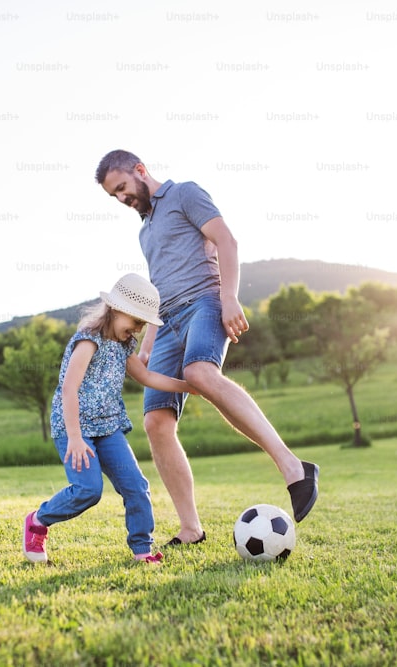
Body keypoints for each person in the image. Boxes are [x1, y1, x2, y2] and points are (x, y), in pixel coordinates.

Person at [95, 149, 320, 547]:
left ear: (140, 171)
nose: (123, 200)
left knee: (200, 373)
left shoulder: (185, 194)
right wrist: (147, 344)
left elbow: (226, 241)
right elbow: (157, 293)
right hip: (166, 324)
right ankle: (190, 529)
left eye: (123, 189)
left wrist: (229, 297)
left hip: (204, 302)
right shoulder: (144, 232)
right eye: (115, 197)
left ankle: (294, 468)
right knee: (156, 423)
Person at [23, 273, 199, 564]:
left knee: (136, 486)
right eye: (137, 322)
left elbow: (145, 376)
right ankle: (38, 520)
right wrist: (76, 438)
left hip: (108, 428)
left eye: (143, 325)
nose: (139, 331)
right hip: (75, 428)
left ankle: (142, 551)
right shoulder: (88, 340)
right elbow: (69, 389)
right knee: (88, 491)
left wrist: (189, 386)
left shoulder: (123, 345)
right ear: (117, 311)